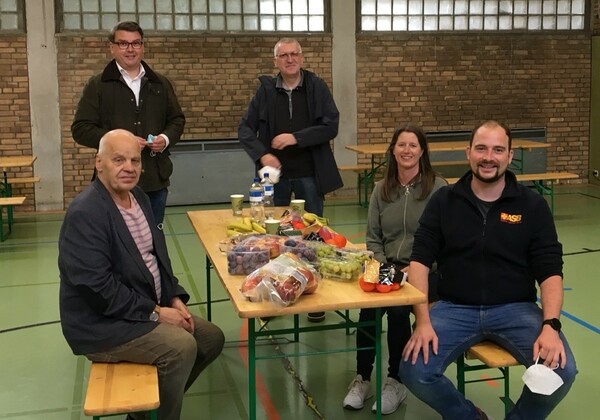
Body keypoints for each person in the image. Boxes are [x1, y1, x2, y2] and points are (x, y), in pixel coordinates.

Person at [400, 121, 577, 419]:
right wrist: (423, 321)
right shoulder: (444, 201)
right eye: (481, 148)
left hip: (515, 309)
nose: (488, 157)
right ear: (468, 152)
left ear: (509, 156)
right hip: (455, 308)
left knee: (563, 371)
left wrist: (551, 326)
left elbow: (550, 271)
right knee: (414, 370)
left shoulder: (532, 206)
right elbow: (419, 261)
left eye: (498, 150)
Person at [58, 129, 224, 420]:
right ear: (99, 163)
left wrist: (173, 297)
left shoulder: (139, 198)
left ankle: (144, 413)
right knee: (181, 347)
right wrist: (156, 313)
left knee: (210, 339)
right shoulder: (86, 212)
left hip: (143, 307)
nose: (129, 168)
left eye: (135, 161)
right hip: (103, 324)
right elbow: (98, 289)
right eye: (118, 160)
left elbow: (157, 257)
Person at [342, 124, 446, 414]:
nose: (407, 150)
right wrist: (383, 266)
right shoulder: (381, 189)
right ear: (393, 150)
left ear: (422, 151)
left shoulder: (438, 188)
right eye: (401, 145)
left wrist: (418, 268)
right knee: (368, 309)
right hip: (388, 267)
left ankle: (395, 381)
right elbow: (373, 237)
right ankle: (362, 377)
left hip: (427, 270)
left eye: (413, 145)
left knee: (399, 310)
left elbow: (447, 239)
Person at [238, 37, 343, 323]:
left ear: (302, 57)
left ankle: (314, 298)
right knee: (273, 240)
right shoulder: (265, 91)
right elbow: (245, 129)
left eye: (294, 54)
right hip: (276, 178)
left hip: (310, 174)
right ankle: (272, 296)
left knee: (313, 238)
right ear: (276, 61)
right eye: (283, 55)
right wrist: (262, 155)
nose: (290, 59)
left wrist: (296, 138)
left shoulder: (317, 87)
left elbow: (331, 126)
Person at [71, 21, 185, 226]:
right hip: (113, 182)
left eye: (136, 43)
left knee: (153, 237)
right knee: (116, 239)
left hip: (154, 181)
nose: (130, 49)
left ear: (143, 47)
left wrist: (165, 139)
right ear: (112, 47)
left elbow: (177, 120)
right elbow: (81, 129)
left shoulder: (160, 83)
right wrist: (121, 141)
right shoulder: (98, 85)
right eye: (123, 43)